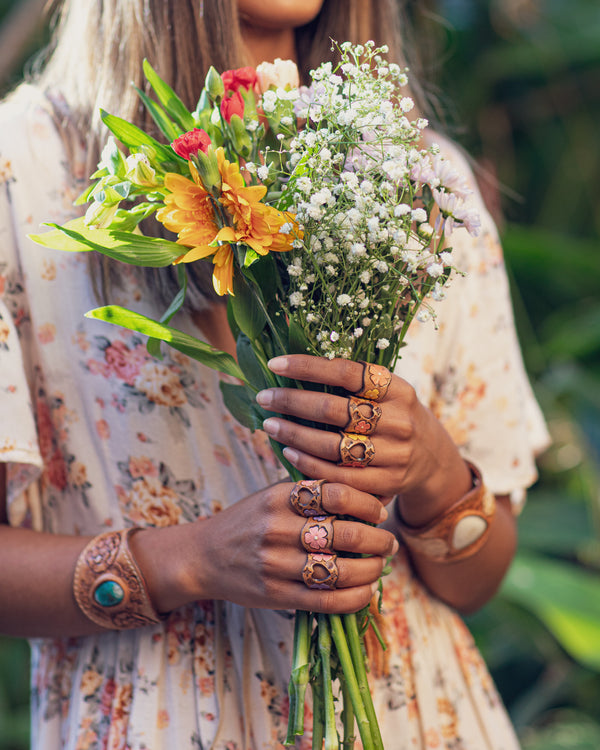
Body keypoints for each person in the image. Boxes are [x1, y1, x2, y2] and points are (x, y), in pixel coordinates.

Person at [0, 0, 550, 748]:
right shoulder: (21, 171)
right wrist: (186, 562)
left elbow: (475, 582)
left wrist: (431, 469)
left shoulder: (420, 179)